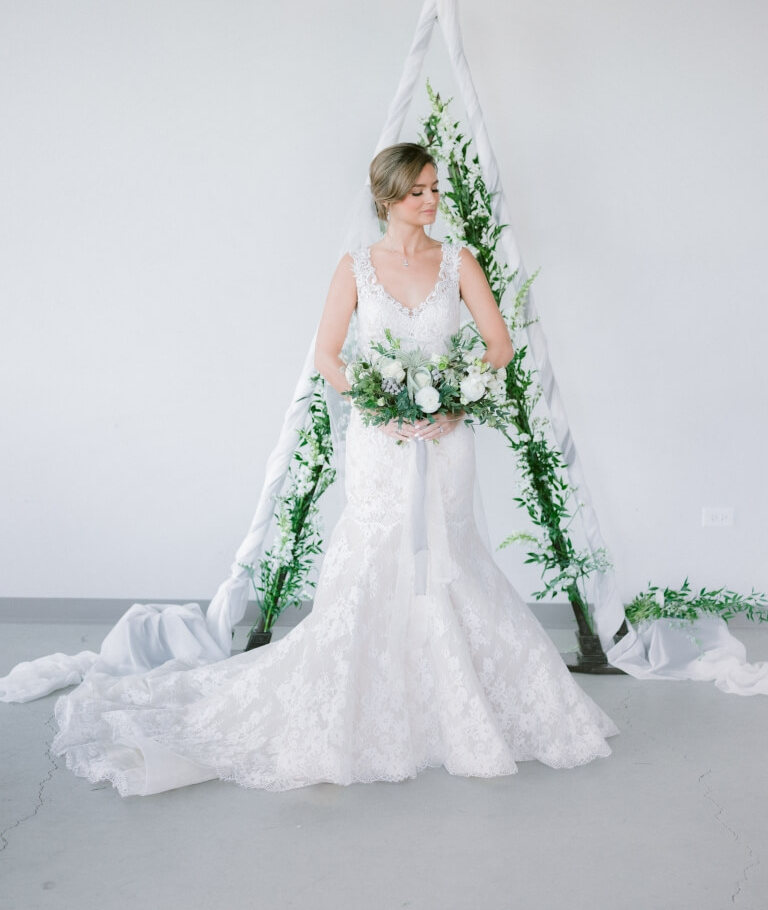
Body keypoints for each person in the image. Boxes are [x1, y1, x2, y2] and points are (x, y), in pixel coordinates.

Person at [51, 144, 617, 795]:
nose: (431, 201)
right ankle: (364, 706)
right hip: (379, 443)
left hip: (444, 440)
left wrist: (454, 404)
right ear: (386, 198)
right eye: (418, 193)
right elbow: (326, 355)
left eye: (436, 189)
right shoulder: (357, 267)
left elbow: (500, 346)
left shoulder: (459, 260)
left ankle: (460, 706)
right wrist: (379, 405)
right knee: (375, 557)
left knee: (449, 557)